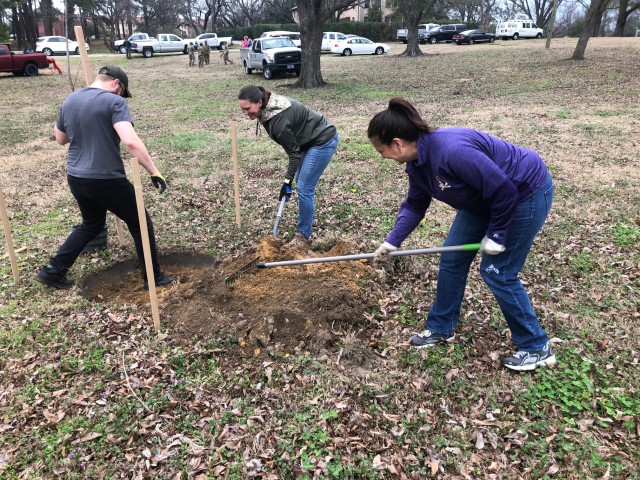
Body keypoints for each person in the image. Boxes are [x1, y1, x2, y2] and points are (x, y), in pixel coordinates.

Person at [368, 97, 555, 371]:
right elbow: (416, 204)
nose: (381, 156)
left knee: (497, 272)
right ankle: (442, 327)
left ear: (396, 143)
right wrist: (392, 241)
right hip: (482, 199)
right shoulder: (417, 164)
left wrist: (497, 234)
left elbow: (504, 191)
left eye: (380, 150)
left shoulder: (451, 151)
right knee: (452, 260)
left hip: (524, 193)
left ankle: (537, 347)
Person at [37, 65, 174, 291]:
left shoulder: (70, 100)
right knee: (141, 223)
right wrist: (153, 171)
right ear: (116, 84)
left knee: (92, 224)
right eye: (122, 91)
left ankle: (53, 270)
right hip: (105, 179)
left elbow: (60, 139)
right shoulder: (114, 102)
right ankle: (154, 278)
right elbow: (130, 142)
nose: (121, 96)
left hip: (76, 177)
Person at [237, 86, 339, 244]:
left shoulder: (279, 121)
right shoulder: (268, 105)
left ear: (259, 102)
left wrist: (286, 182)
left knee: (305, 187)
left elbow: (294, 154)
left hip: (322, 140)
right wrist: (289, 180)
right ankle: (305, 225)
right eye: (242, 109)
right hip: (307, 141)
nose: (245, 113)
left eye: (247, 109)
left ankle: (302, 237)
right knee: (301, 182)